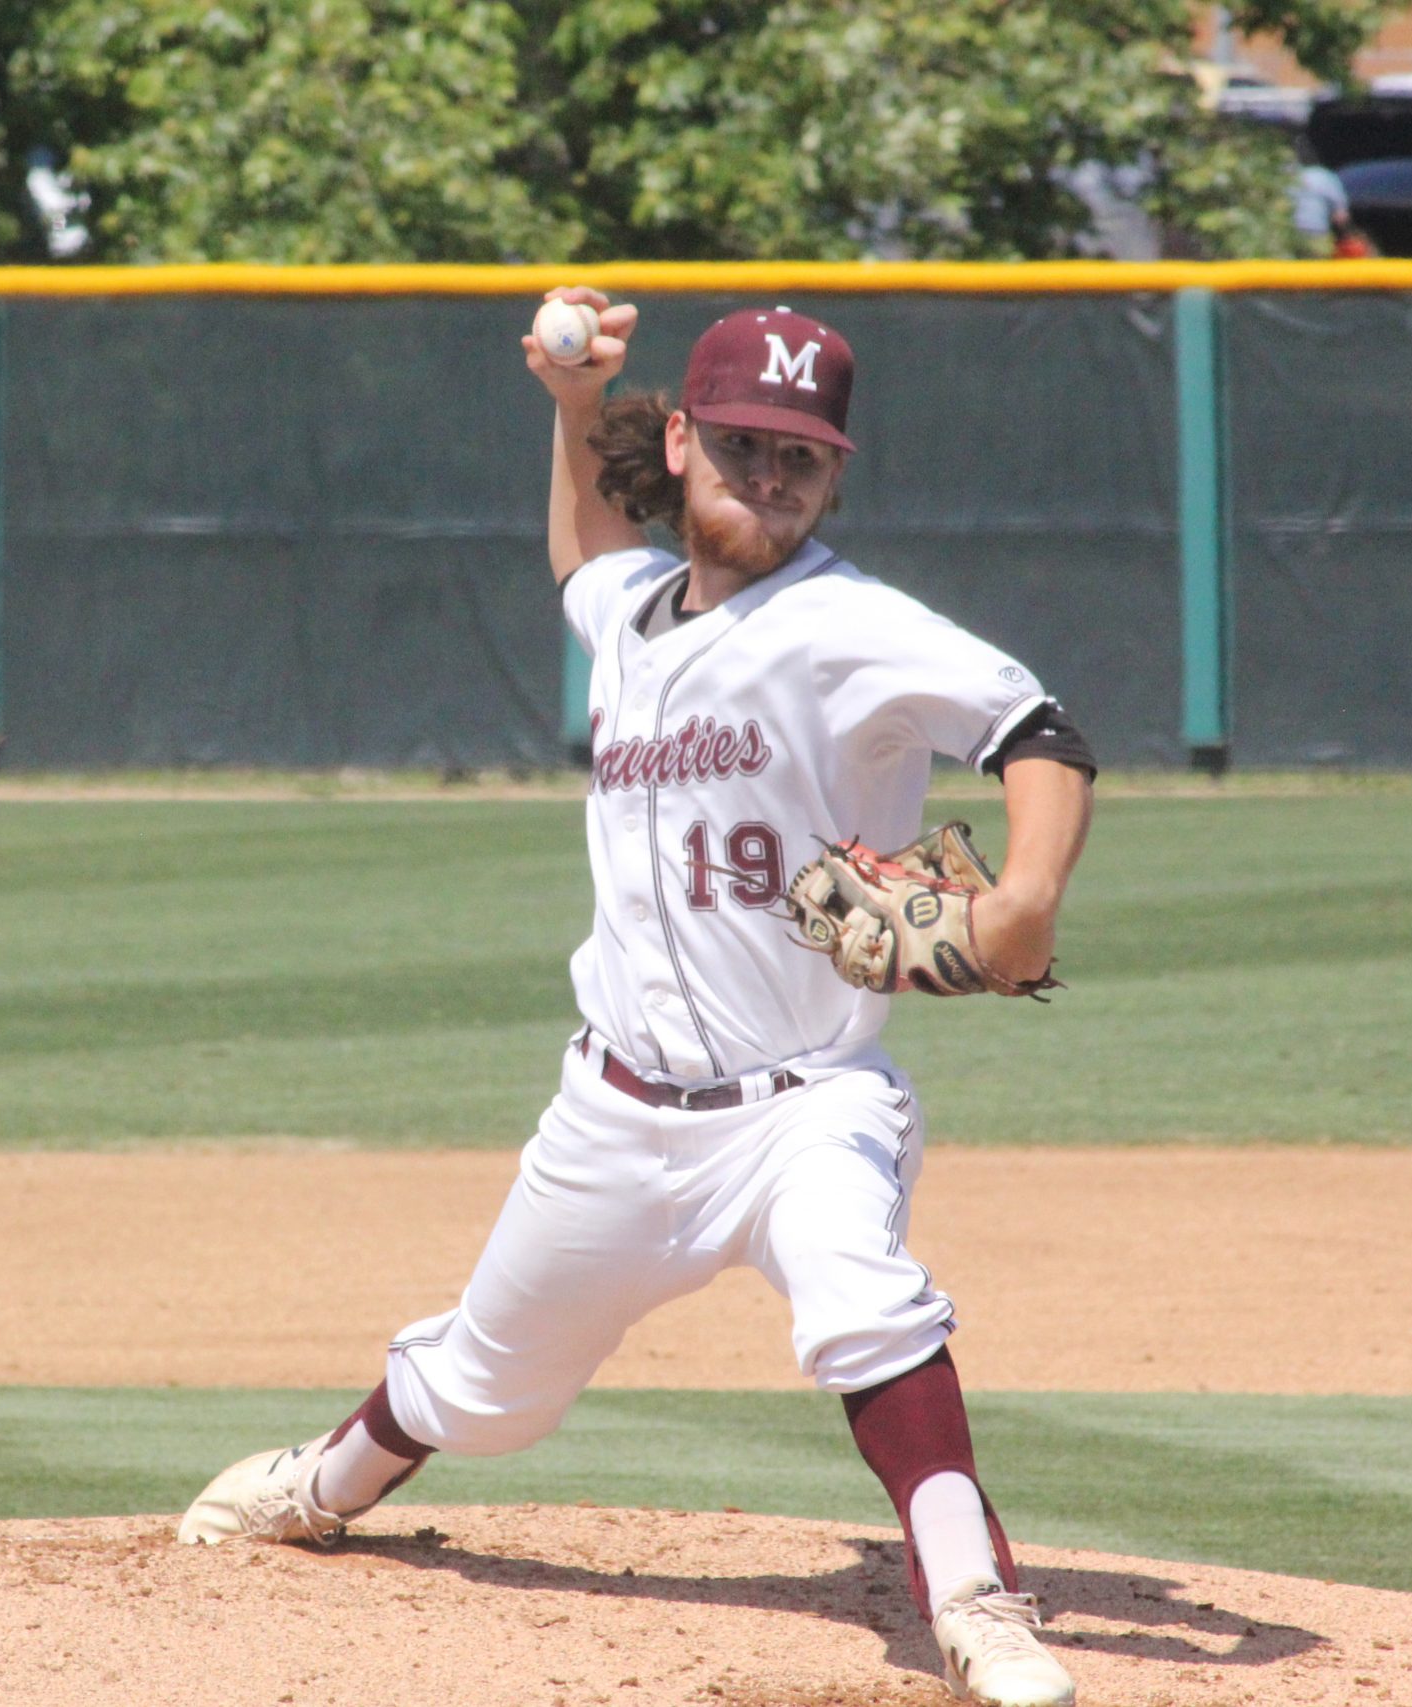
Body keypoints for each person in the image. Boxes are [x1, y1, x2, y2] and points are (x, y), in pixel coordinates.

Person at [176, 294, 1097, 1707]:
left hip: (806, 1099)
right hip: (612, 1110)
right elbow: (584, 558)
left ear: (836, 470)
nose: (769, 476)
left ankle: (978, 1599)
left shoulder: (851, 625)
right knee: (485, 1386)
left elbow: (1035, 728)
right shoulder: (628, 610)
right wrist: (564, 407)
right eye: (740, 445)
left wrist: (1027, 894)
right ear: (679, 440)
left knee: (864, 1298)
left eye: (801, 455)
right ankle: (323, 1480)